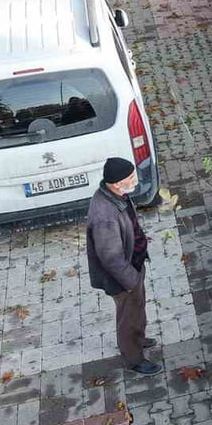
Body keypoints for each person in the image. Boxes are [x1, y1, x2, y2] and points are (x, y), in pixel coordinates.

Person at [87, 157, 159, 376]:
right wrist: (131, 281)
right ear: (117, 183)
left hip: (133, 267)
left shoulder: (116, 196)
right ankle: (134, 358)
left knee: (137, 310)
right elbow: (110, 257)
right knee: (129, 318)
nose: (135, 179)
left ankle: (138, 338)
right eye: (131, 177)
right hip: (123, 278)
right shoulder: (104, 217)